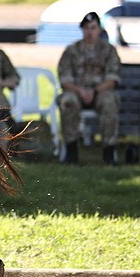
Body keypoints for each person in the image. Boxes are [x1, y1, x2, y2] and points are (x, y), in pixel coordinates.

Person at [56, 11, 121, 165]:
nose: (90, 32)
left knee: (110, 102)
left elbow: (113, 78)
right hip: (76, 91)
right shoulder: (71, 51)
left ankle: (109, 152)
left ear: (99, 29)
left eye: (93, 28)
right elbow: (64, 79)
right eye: (86, 28)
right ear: (82, 30)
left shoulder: (109, 50)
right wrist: (80, 91)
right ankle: (71, 152)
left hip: (100, 91)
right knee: (68, 102)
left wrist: (95, 91)